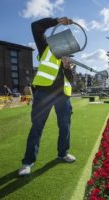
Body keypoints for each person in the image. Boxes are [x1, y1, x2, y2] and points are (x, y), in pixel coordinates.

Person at [18, 17, 75, 176]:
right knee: (37, 127)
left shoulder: (68, 58)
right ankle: (27, 162)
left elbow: (71, 80)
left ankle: (63, 153)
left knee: (65, 126)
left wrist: (67, 67)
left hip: (63, 96)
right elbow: (36, 26)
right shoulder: (45, 48)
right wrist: (57, 21)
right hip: (43, 93)